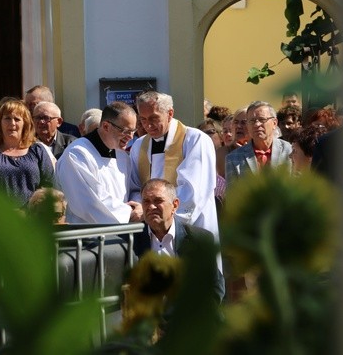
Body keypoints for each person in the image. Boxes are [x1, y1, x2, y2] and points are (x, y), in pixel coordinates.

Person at [127, 91, 219, 241]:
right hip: (152, 228)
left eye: (154, 118)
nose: (148, 125)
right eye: (142, 119)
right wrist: (140, 208)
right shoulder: (139, 145)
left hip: (191, 228)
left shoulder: (195, 140)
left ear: (170, 113)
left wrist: (161, 220)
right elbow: (135, 187)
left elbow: (193, 191)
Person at [133, 178, 225, 303]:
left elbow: (215, 287)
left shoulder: (198, 240)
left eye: (158, 200)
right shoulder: (132, 241)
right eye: (146, 202)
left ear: (175, 205)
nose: (151, 207)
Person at [56, 101, 143, 224]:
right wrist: (129, 212)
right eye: (125, 131)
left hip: (123, 232)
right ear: (106, 126)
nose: (130, 137)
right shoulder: (78, 154)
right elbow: (90, 202)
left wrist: (138, 206)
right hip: (87, 235)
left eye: (133, 131)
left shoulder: (122, 156)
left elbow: (134, 188)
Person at [0, 99, 55, 208]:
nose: (12, 123)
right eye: (7, 118)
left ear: (25, 123)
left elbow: (49, 186)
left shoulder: (37, 151)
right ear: (0, 122)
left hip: (32, 220)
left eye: (17, 119)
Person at [226, 101, 292, 186]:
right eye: (252, 121)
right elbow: (232, 196)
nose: (257, 124)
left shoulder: (289, 151)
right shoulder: (234, 158)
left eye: (262, 119)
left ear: (274, 123)